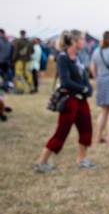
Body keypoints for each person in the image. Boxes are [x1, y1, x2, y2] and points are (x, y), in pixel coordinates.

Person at [33, 30, 96, 173]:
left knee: (86, 129)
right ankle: (42, 162)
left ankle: (82, 159)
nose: (84, 42)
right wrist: (84, 89)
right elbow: (66, 81)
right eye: (82, 39)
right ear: (74, 41)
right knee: (62, 131)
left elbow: (84, 75)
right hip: (70, 100)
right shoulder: (62, 57)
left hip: (81, 99)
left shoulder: (78, 57)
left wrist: (88, 88)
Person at [12, 29, 33, 94]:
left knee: (19, 75)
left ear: (20, 34)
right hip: (28, 61)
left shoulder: (18, 42)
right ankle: (31, 87)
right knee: (28, 74)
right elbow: (32, 51)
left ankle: (20, 90)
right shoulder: (29, 42)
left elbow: (15, 52)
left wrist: (13, 59)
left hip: (19, 61)